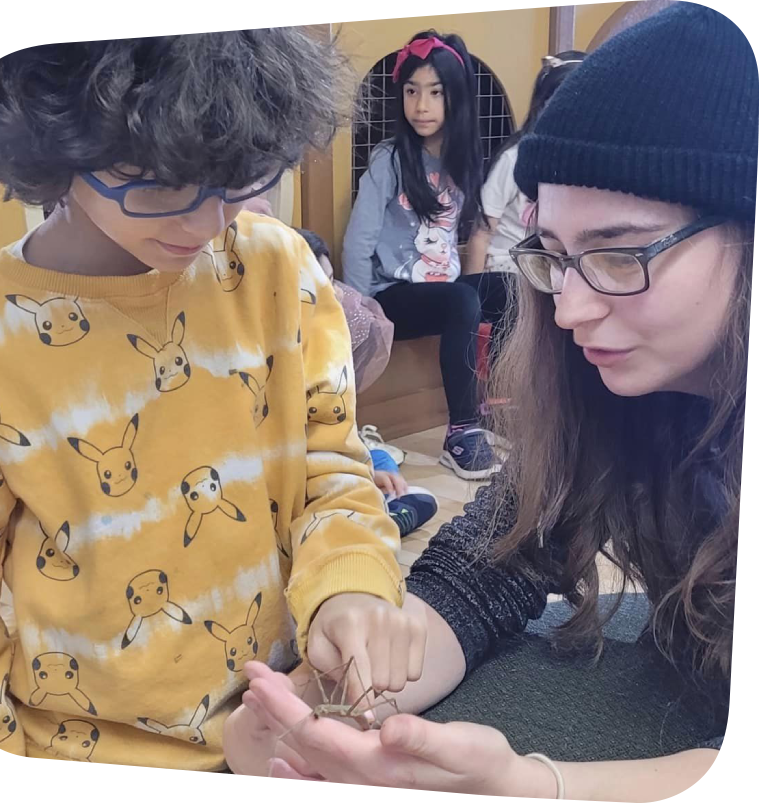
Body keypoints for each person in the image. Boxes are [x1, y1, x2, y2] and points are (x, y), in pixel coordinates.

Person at [241, 4, 750, 796]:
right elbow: (483, 571)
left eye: (618, 255)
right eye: (554, 256)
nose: (571, 308)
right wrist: (342, 698)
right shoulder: (611, 392)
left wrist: (529, 784)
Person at [0, 33, 426, 769]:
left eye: (240, 180)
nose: (207, 223)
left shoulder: (279, 268)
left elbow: (332, 473)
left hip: (282, 721)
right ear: (52, 146)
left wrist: (350, 588)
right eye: (157, 185)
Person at [342, 31, 503, 481]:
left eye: (435, 93)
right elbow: (358, 242)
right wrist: (360, 316)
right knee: (461, 302)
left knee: (509, 290)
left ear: (456, 99)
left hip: (444, 289)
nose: (422, 105)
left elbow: (461, 236)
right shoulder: (389, 160)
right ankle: (461, 433)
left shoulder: (463, 159)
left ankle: (492, 401)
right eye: (411, 91)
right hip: (393, 294)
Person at [295, 228, 439, 538]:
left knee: (381, 459)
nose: (334, 295)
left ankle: (378, 510)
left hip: (330, 456)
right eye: (319, 286)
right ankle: (371, 518)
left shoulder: (329, 338)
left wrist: (367, 470)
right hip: (295, 468)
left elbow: (339, 430)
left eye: (332, 281)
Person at [464, 51, 586, 352]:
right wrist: (470, 291)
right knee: (525, 299)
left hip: (549, 270)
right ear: (541, 106)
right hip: (507, 270)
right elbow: (481, 234)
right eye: (555, 104)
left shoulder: (583, 164)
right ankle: (500, 392)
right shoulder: (515, 158)